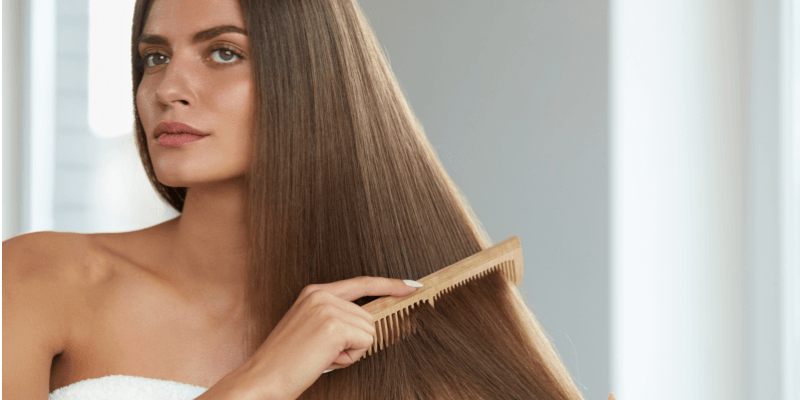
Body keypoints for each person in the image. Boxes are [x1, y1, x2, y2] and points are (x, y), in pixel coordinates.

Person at [4, 0, 595, 399]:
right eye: (155, 57)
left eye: (223, 52)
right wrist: (262, 380)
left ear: (310, 77)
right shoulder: (40, 280)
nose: (167, 88)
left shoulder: (388, 328)